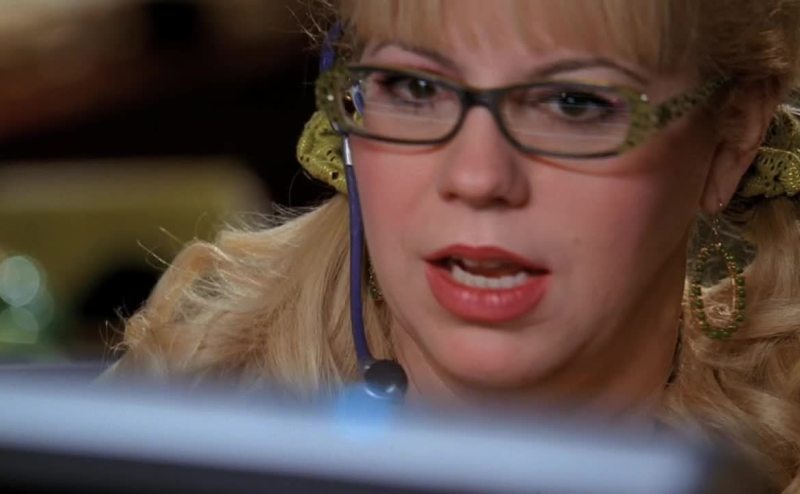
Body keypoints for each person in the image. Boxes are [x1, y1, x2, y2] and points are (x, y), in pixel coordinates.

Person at [107, 1, 800, 490]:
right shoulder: (187, 412)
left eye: (574, 103)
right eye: (414, 86)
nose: (478, 177)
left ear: (732, 137)